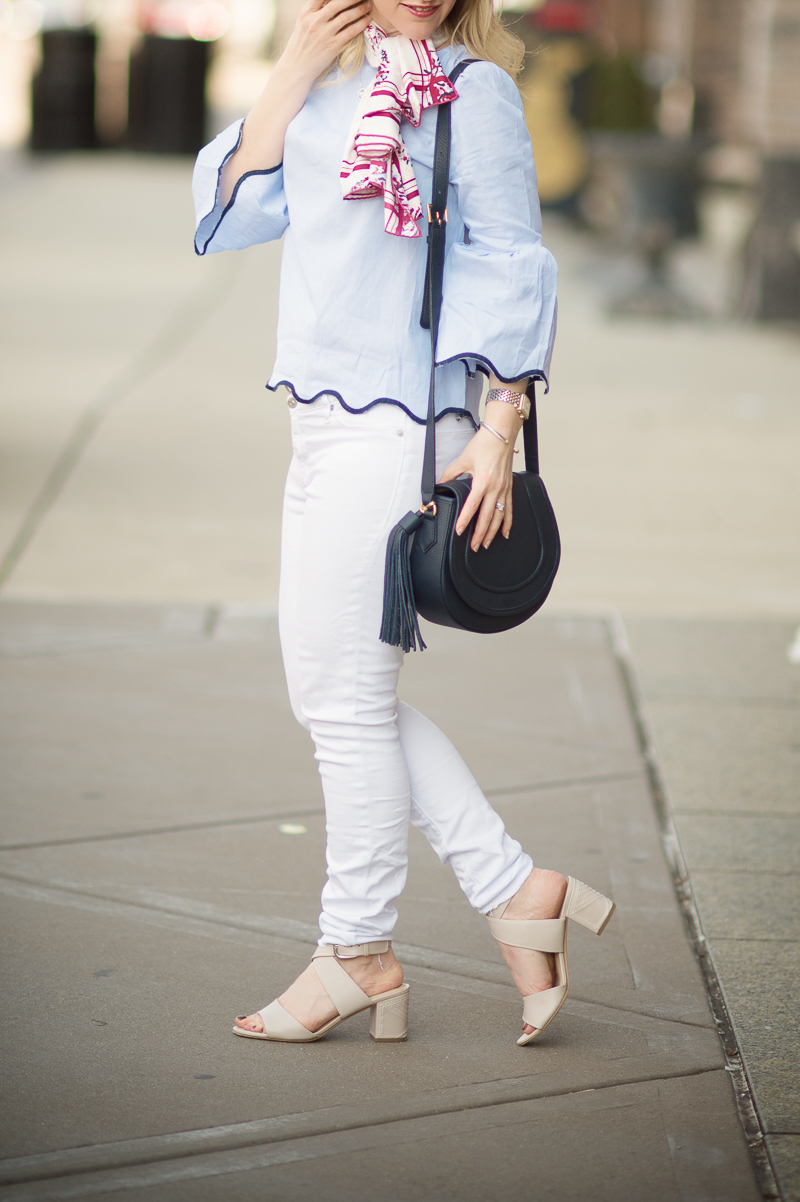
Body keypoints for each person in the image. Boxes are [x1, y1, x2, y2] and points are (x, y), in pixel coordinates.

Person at [192, 0, 614, 1048]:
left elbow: (512, 262)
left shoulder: (474, 94)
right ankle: (514, 888)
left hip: (405, 428)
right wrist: (293, 66)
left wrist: (500, 426)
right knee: (335, 693)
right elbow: (229, 211)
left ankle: (356, 949)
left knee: (344, 704)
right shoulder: (325, 89)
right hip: (320, 421)